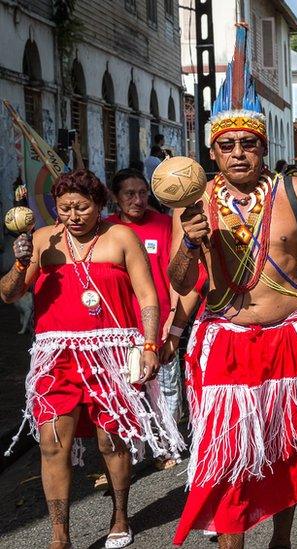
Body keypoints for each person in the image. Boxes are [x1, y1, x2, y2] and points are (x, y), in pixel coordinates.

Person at [167, 25, 297, 547]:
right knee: (229, 459)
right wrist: (189, 242)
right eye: (226, 145)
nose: (238, 154)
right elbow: (180, 282)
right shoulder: (194, 204)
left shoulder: (294, 191)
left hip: (289, 339)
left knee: (286, 453)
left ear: (262, 145)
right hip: (226, 342)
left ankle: (281, 542)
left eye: (248, 144)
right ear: (213, 151)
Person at [1, 169, 183, 549]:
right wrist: (19, 264)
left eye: (81, 207)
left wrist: (150, 345)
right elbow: (9, 295)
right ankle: (59, 535)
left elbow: (147, 296)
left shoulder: (120, 237)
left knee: (111, 441)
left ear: (99, 205)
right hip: (56, 357)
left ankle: (120, 516)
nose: (73, 215)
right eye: (64, 208)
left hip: (112, 354)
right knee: (52, 443)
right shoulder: (41, 240)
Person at [106, 169, 183, 469]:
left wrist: (173, 321)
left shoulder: (164, 225)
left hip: (158, 321)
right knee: (125, 390)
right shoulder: (106, 228)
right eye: (129, 194)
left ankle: (166, 445)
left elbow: (177, 277)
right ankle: (128, 450)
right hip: (119, 326)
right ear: (115, 197)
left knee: (165, 387)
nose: (138, 200)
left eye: (143, 193)